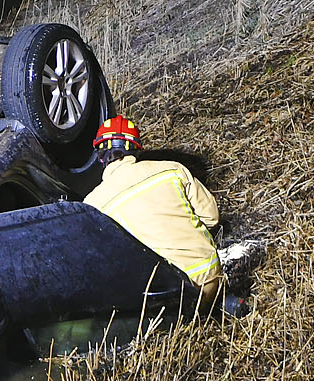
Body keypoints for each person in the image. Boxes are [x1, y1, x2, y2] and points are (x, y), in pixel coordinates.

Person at [83, 116, 223, 304]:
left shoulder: (92, 205)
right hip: (209, 277)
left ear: (100, 156)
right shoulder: (172, 170)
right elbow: (211, 218)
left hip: (158, 298)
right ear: (136, 148)